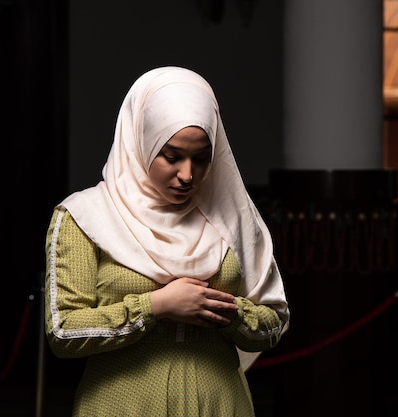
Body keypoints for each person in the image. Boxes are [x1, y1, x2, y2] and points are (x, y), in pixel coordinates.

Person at [44, 66, 290, 416]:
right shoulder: (84, 217)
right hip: (122, 406)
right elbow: (63, 332)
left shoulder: (232, 217)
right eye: (171, 156)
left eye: (202, 158)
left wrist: (225, 312)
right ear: (141, 142)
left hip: (220, 403)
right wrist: (157, 306)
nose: (188, 175)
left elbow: (273, 324)